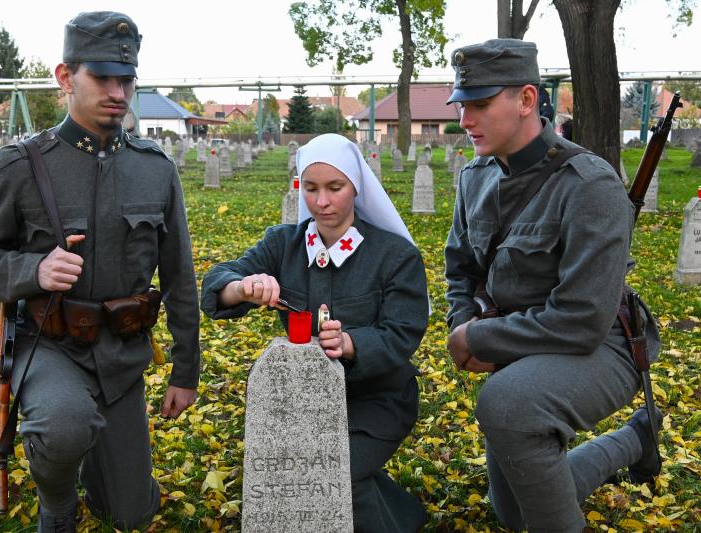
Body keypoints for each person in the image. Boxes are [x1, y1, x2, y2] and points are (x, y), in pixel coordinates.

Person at [0, 12, 200, 532]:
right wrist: (34, 270)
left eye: (126, 79)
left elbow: (179, 275)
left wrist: (185, 370)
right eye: (102, 77)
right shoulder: (18, 165)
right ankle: (58, 498)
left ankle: (100, 463)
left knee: (131, 513)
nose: (118, 91)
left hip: (122, 353)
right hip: (50, 344)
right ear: (65, 78)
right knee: (63, 427)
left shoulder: (155, 169)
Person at [443, 39, 662, 533]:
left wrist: (480, 340)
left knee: (506, 402)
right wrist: (464, 322)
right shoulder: (474, 178)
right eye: (463, 106)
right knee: (514, 513)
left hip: (604, 345)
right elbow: (460, 268)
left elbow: (583, 320)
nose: (465, 121)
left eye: (479, 105)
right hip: (522, 343)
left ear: (525, 100)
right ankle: (635, 442)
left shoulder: (589, 185)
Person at [201, 133, 429, 532]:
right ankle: (401, 511)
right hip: (300, 402)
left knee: (335, 474)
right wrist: (243, 287)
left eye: (334, 188)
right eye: (310, 188)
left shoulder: (395, 256)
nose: (321, 202)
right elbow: (219, 280)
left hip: (376, 401)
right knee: (294, 472)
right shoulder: (283, 244)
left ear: (355, 187)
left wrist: (351, 343)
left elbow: (402, 333)